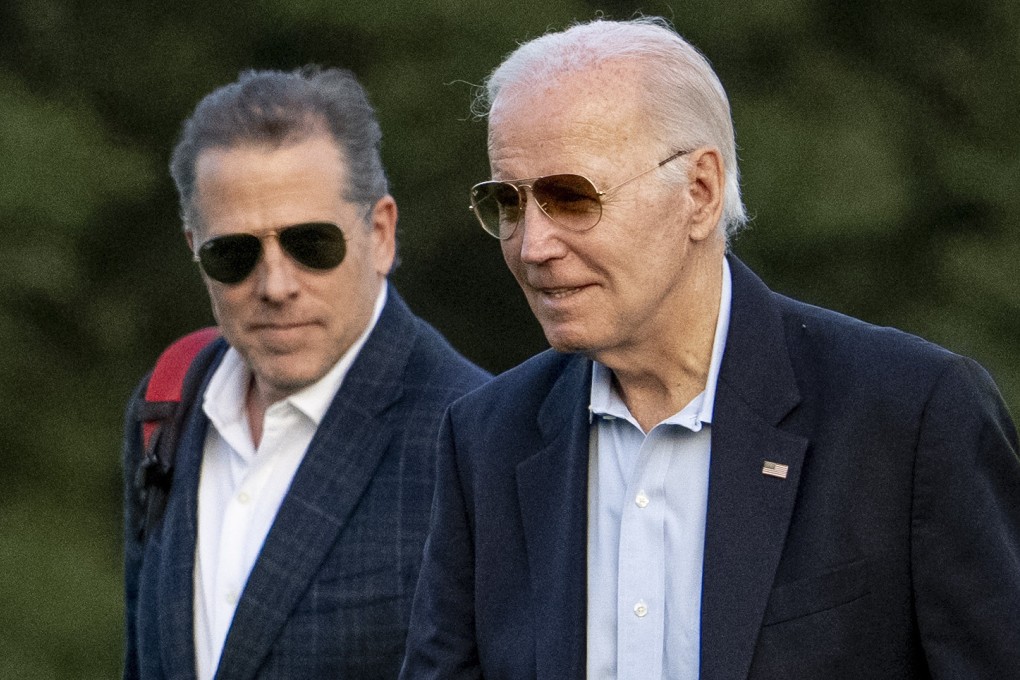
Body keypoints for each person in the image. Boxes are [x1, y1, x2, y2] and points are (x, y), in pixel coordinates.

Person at [399, 17, 1020, 680]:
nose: (533, 246)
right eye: (508, 203)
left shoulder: (910, 417)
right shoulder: (487, 437)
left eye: (570, 197)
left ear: (699, 192)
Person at [121, 66, 489, 680]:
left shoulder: (474, 434)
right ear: (194, 248)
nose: (275, 285)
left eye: (311, 244)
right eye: (233, 254)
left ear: (381, 234)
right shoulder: (166, 403)